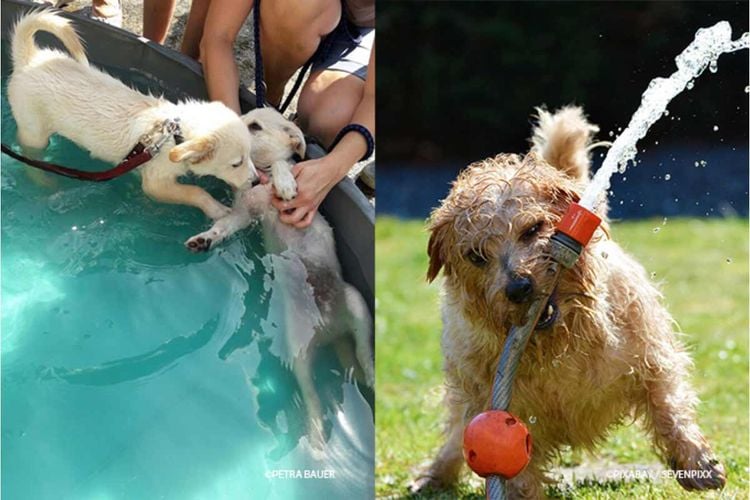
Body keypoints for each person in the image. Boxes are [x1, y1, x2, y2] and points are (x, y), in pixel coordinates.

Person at [181, 0, 375, 229]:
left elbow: (373, 96)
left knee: (328, 118)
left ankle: (295, 137)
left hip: (370, 31)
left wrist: (332, 168)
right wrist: (235, 135)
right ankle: (271, 98)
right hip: (312, 12)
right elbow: (218, 37)